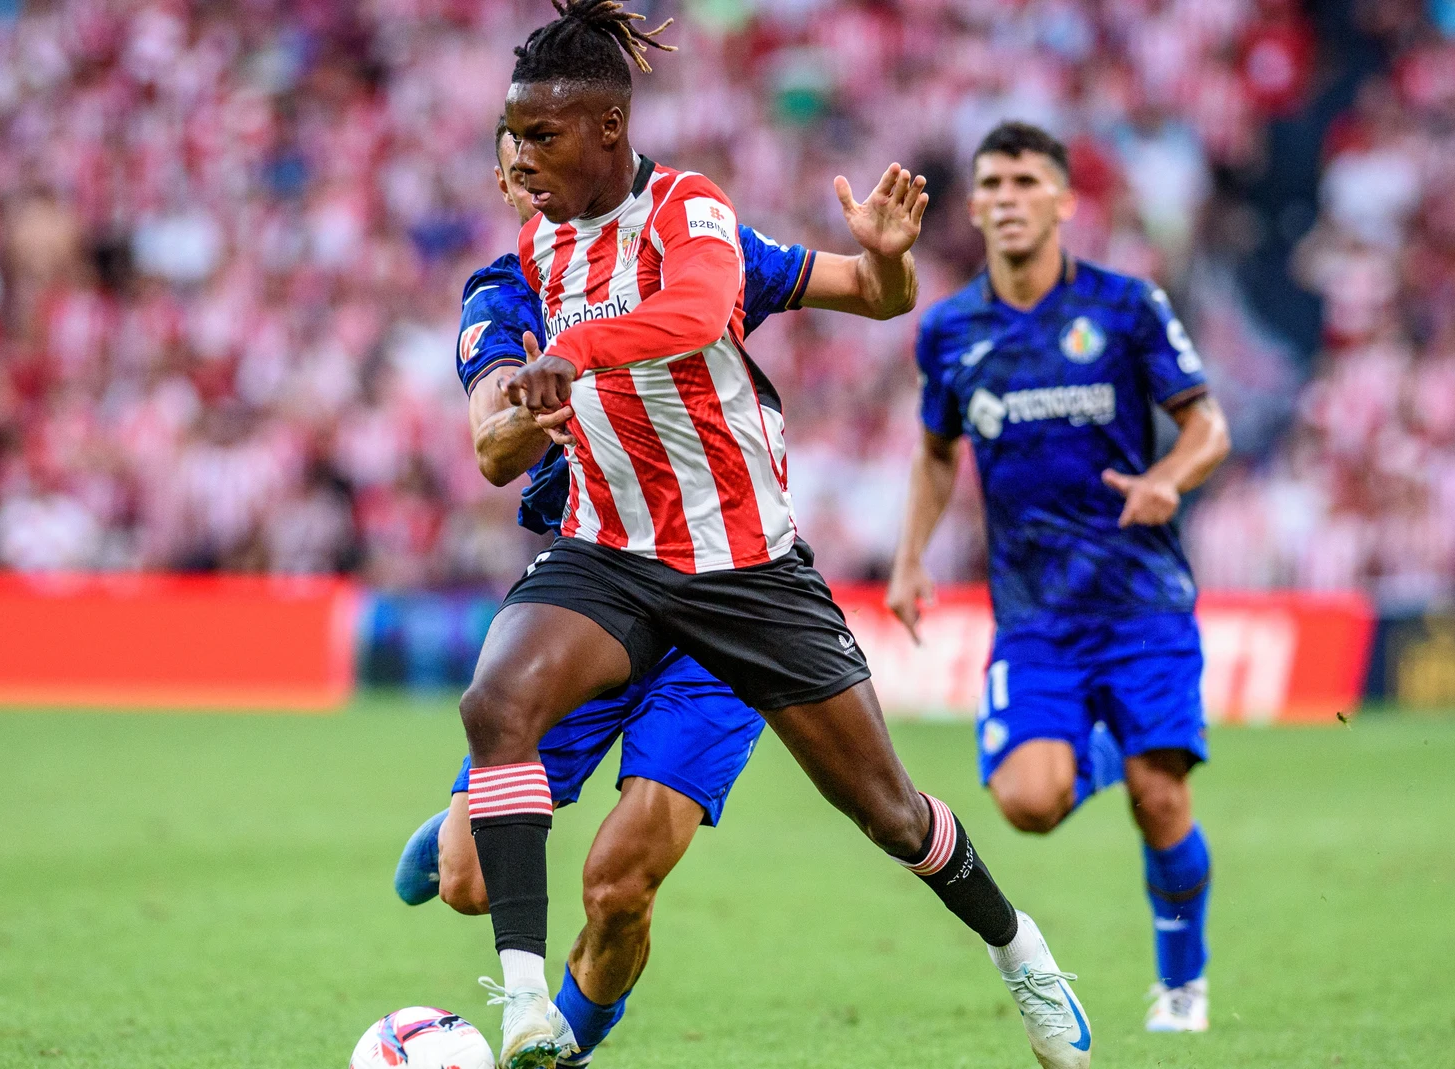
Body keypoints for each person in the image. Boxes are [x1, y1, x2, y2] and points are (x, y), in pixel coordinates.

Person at [467, 5, 1090, 1068]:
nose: (518, 157)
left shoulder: (690, 209)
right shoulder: (540, 246)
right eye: (514, 135)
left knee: (890, 814)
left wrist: (578, 352)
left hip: (743, 567)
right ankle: (524, 1002)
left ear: (608, 129)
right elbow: (498, 441)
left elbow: (699, 310)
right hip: (610, 554)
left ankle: (1020, 950)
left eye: (541, 135)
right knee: (496, 703)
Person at [392, 112, 929, 1069]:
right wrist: (534, 406)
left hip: (721, 605)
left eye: (549, 154)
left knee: (619, 884)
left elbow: (871, 292)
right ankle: (453, 832)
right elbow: (489, 445)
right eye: (518, 167)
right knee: (470, 883)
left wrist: (885, 257)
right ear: (505, 187)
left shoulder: (695, 246)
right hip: (597, 595)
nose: (536, 177)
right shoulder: (506, 290)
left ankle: (566, 1045)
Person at [888, 121, 1232, 1034]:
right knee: (1028, 803)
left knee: (1162, 800)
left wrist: (1168, 478)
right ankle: (1113, 742)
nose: (1007, 198)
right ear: (973, 205)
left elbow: (1208, 426)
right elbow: (936, 452)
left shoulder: (1126, 307)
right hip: (1035, 615)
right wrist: (911, 556)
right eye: (992, 183)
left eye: (1026, 181)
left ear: (1064, 201)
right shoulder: (951, 330)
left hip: (1141, 600)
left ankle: (1182, 987)